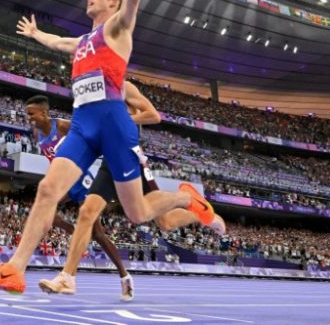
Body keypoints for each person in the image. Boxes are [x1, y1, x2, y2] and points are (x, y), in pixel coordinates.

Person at [0, 0, 214, 294]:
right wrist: (36, 34)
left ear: (114, 3)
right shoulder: (83, 41)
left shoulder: (118, 28)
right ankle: (15, 268)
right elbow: (59, 43)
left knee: (137, 213)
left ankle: (185, 199)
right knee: (48, 188)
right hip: (84, 125)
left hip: (115, 123)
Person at [39, 81, 225, 300]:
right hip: (109, 159)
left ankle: (193, 205)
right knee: (87, 211)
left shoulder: (124, 87)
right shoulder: (92, 93)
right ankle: (67, 277)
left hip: (130, 156)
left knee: (166, 223)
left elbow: (153, 115)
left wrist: (123, 121)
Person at [23, 94, 129, 283]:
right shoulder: (37, 134)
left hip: (80, 179)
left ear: (44, 112)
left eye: (32, 114)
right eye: (27, 114)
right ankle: (78, 235)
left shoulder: (63, 126)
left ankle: (124, 275)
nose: (29, 118)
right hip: (63, 182)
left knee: (99, 234)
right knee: (46, 213)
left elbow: (91, 139)